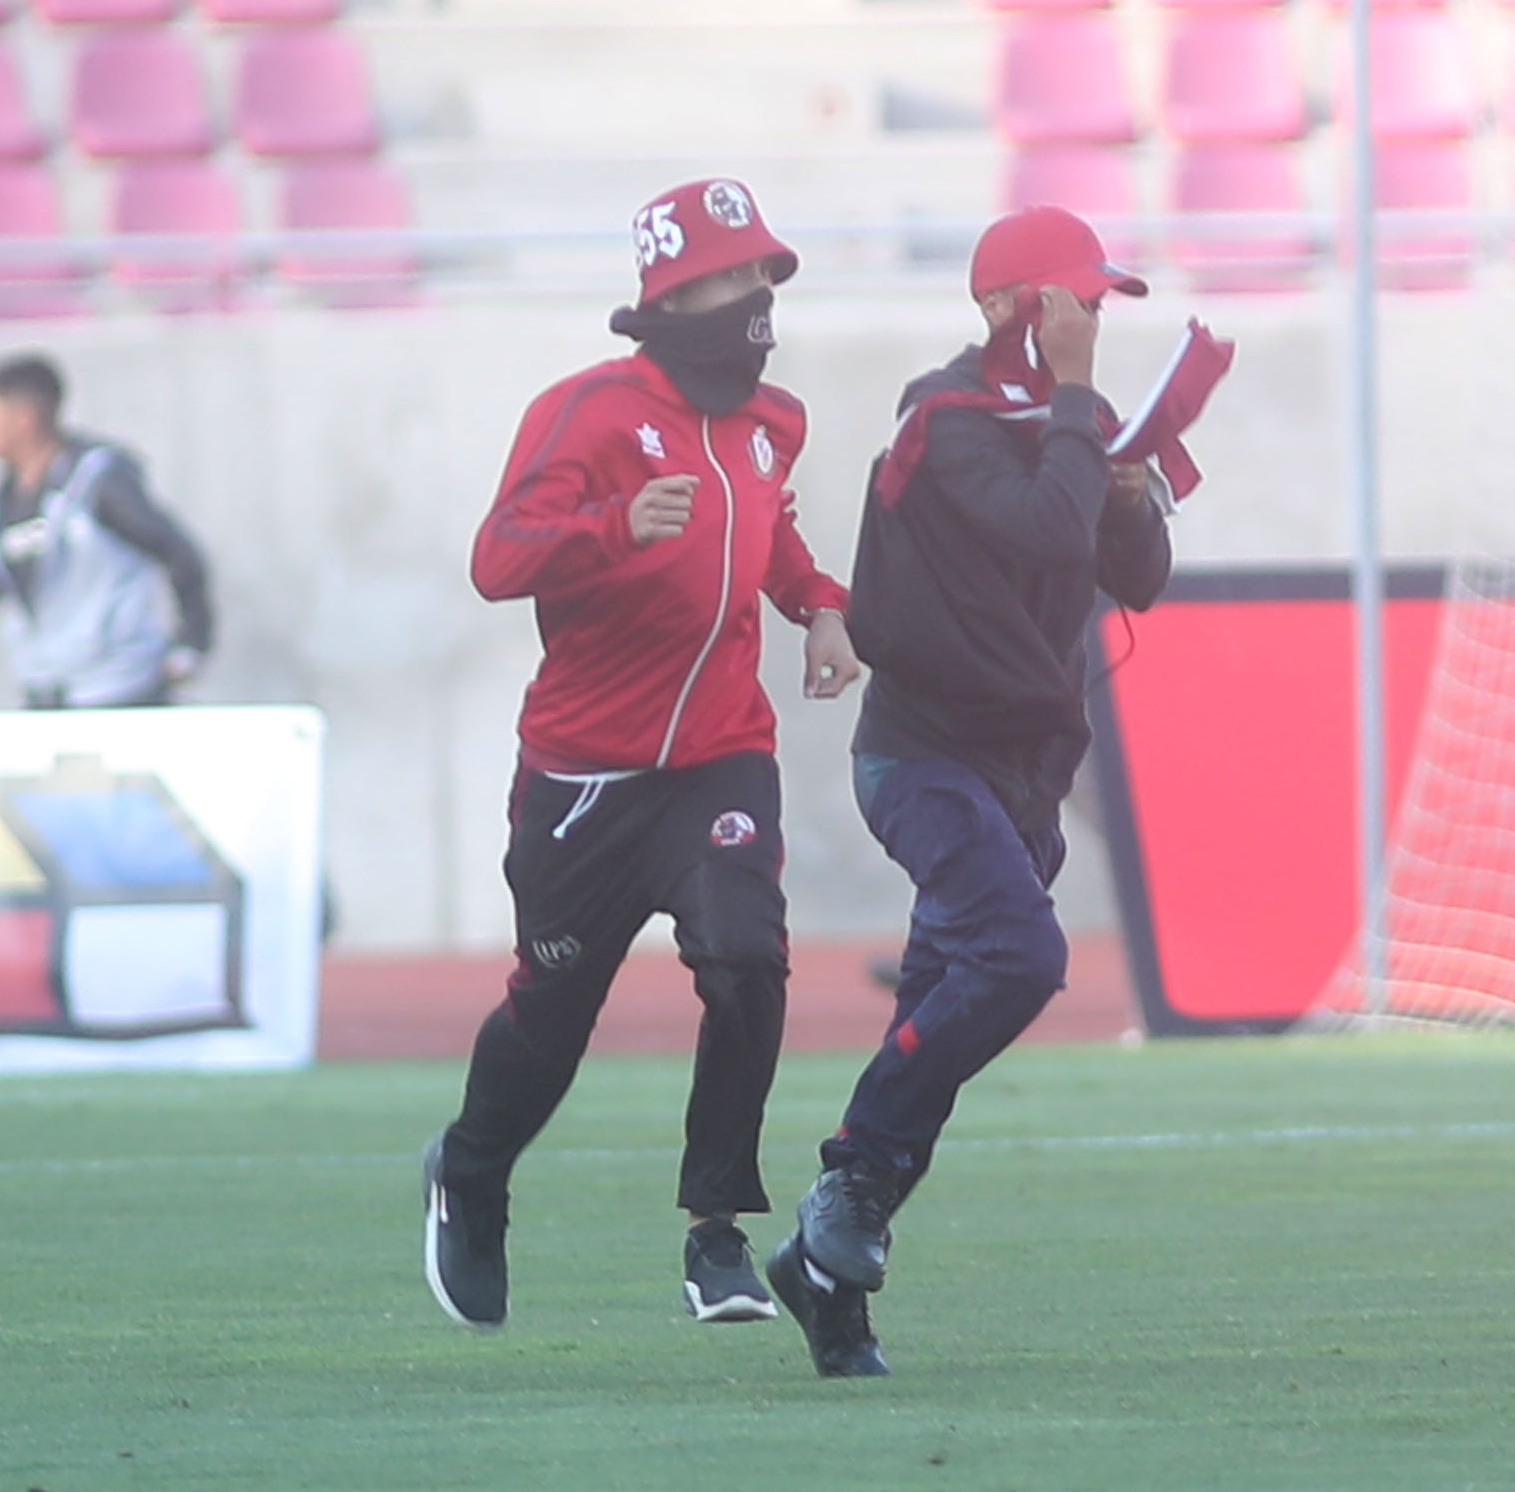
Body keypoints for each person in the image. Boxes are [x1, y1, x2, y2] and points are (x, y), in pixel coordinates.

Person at [420, 178, 858, 1337]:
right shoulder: (591, 412)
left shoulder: (777, 423)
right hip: (584, 775)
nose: (758, 298)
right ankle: (471, 1169)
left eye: (767, 274)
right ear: (672, 295)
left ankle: (716, 1233)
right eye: (733, 277)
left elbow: (773, 536)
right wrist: (613, 528)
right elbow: (497, 558)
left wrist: (818, 602)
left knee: (745, 959)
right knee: (555, 1011)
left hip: (720, 756)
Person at [772, 203, 1177, 1381]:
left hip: (1026, 772)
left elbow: (1133, 576)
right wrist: (1081, 419)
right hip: (925, 758)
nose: (1091, 319)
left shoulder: (1069, 426)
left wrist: (1133, 485)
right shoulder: (942, 416)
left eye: (1097, 303)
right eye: (1076, 299)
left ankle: (828, 1277)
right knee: (1018, 960)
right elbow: (1047, 531)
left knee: (940, 1022)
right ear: (1012, 306)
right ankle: (850, 1175)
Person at [0, 352, 216, 709]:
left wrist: (191, 645)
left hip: (119, 690)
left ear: (25, 419)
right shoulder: (5, 502)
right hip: (47, 690)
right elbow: (2, 569)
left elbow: (175, 551)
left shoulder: (96, 483)